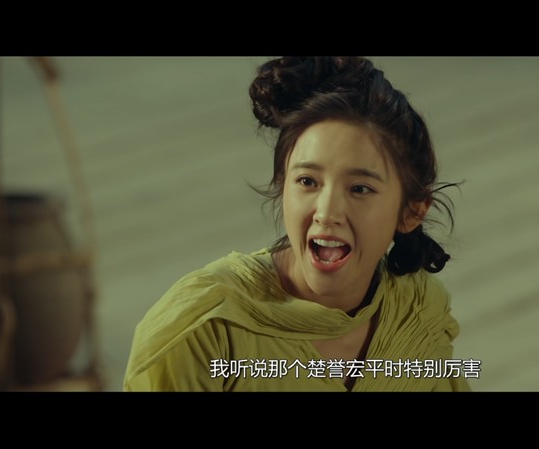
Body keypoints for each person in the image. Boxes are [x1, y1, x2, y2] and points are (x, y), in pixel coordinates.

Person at [123, 56, 471, 391]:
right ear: (282, 185)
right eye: (308, 181)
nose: (327, 212)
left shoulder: (417, 311)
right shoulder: (206, 330)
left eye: (360, 188)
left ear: (411, 212)